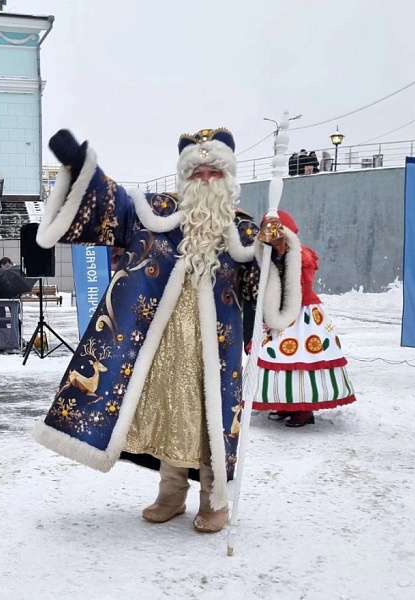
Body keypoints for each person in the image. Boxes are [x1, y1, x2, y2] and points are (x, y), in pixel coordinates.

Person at [33, 128, 301, 533]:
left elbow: (261, 294)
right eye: (198, 173)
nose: (206, 180)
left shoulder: (245, 233)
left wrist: (277, 251)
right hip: (157, 343)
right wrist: (81, 166)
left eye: (214, 172)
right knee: (170, 415)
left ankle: (215, 499)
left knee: (211, 420)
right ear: (184, 177)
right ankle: (171, 494)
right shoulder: (153, 215)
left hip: (214, 349)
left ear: (227, 178)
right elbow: (111, 203)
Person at [249, 210, 356, 427]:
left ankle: (304, 409)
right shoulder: (271, 256)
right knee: (277, 354)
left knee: (302, 359)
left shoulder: (301, 255)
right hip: (280, 312)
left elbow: (300, 284)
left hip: (303, 314)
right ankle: (285, 402)